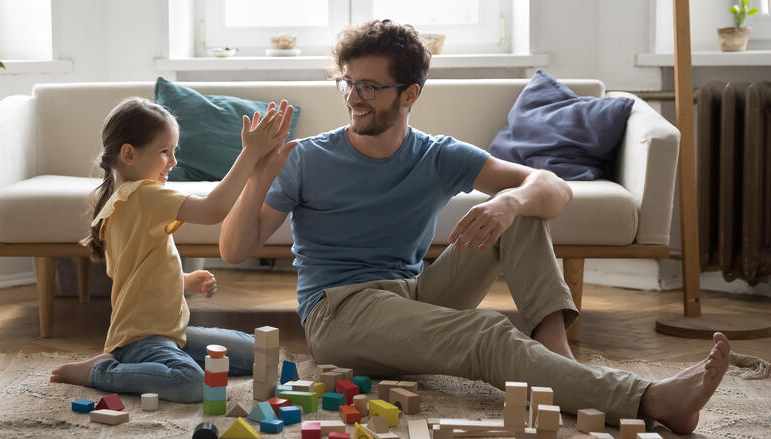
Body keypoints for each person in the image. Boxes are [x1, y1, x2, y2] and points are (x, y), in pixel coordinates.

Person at [218, 19, 730, 433]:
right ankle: (648, 399)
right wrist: (260, 171)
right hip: (340, 311)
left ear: (410, 93)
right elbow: (235, 249)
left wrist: (509, 203)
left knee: (519, 212)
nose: (354, 96)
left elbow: (553, 187)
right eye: (348, 83)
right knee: (488, 332)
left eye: (370, 86)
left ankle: (562, 364)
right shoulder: (307, 158)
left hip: (414, 296)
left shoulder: (437, 155)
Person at [49, 96, 299, 403]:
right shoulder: (143, 195)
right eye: (165, 151)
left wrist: (184, 280)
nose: (173, 161)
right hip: (140, 339)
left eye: (174, 151)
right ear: (129, 154)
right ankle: (101, 371)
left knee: (264, 352)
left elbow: (137, 276)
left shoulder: (124, 201)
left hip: (170, 334)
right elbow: (213, 210)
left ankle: (147, 364)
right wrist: (249, 154)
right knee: (191, 383)